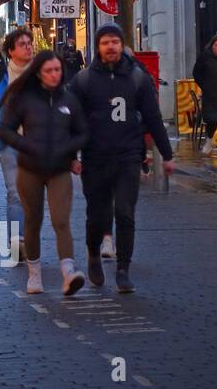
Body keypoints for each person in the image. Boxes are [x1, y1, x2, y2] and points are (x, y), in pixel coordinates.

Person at [68, 24, 174, 294]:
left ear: (122, 45)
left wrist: (167, 154)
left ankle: (123, 269)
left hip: (128, 155)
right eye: (105, 42)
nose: (111, 47)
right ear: (98, 47)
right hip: (95, 157)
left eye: (115, 42)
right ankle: (93, 254)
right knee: (98, 215)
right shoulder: (84, 80)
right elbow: (71, 119)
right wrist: (72, 155)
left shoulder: (137, 78)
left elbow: (153, 117)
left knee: (125, 212)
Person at [0, 51, 89, 295]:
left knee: (61, 220)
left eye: (58, 70)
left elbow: (82, 132)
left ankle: (69, 273)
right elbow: (5, 129)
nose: (54, 75)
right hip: (30, 169)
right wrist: (27, 145)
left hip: (59, 169)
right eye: (49, 70)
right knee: (33, 221)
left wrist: (69, 152)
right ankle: (34, 274)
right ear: (38, 72)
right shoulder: (25, 99)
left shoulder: (69, 99)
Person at [0, 27, 37, 262]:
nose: (28, 47)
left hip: (36, 143)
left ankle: (28, 240)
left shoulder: (40, 74)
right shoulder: (0, 76)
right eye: (22, 44)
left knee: (32, 196)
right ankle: (18, 242)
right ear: (11, 50)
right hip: (10, 143)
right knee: (15, 194)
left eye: (29, 43)